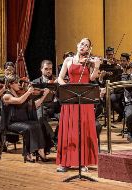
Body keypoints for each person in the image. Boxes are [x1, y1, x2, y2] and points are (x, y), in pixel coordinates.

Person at [56, 38, 101, 172]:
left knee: (83, 129)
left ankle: (83, 161)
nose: (83, 46)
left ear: (89, 49)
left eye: (86, 46)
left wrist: (97, 66)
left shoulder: (89, 62)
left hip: (84, 100)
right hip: (70, 98)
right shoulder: (68, 60)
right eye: (82, 44)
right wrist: (66, 88)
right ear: (77, 45)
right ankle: (65, 162)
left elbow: (92, 78)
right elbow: (60, 77)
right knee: (68, 129)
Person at [2, 75, 52, 162]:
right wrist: (28, 92)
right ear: (10, 84)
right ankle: (27, 153)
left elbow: (34, 105)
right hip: (12, 123)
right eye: (17, 83)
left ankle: (40, 150)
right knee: (29, 128)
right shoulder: (6, 96)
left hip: (23, 121)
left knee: (38, 124)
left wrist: (44, 95)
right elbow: (19, 101)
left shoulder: (20, 94)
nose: (19, 85)